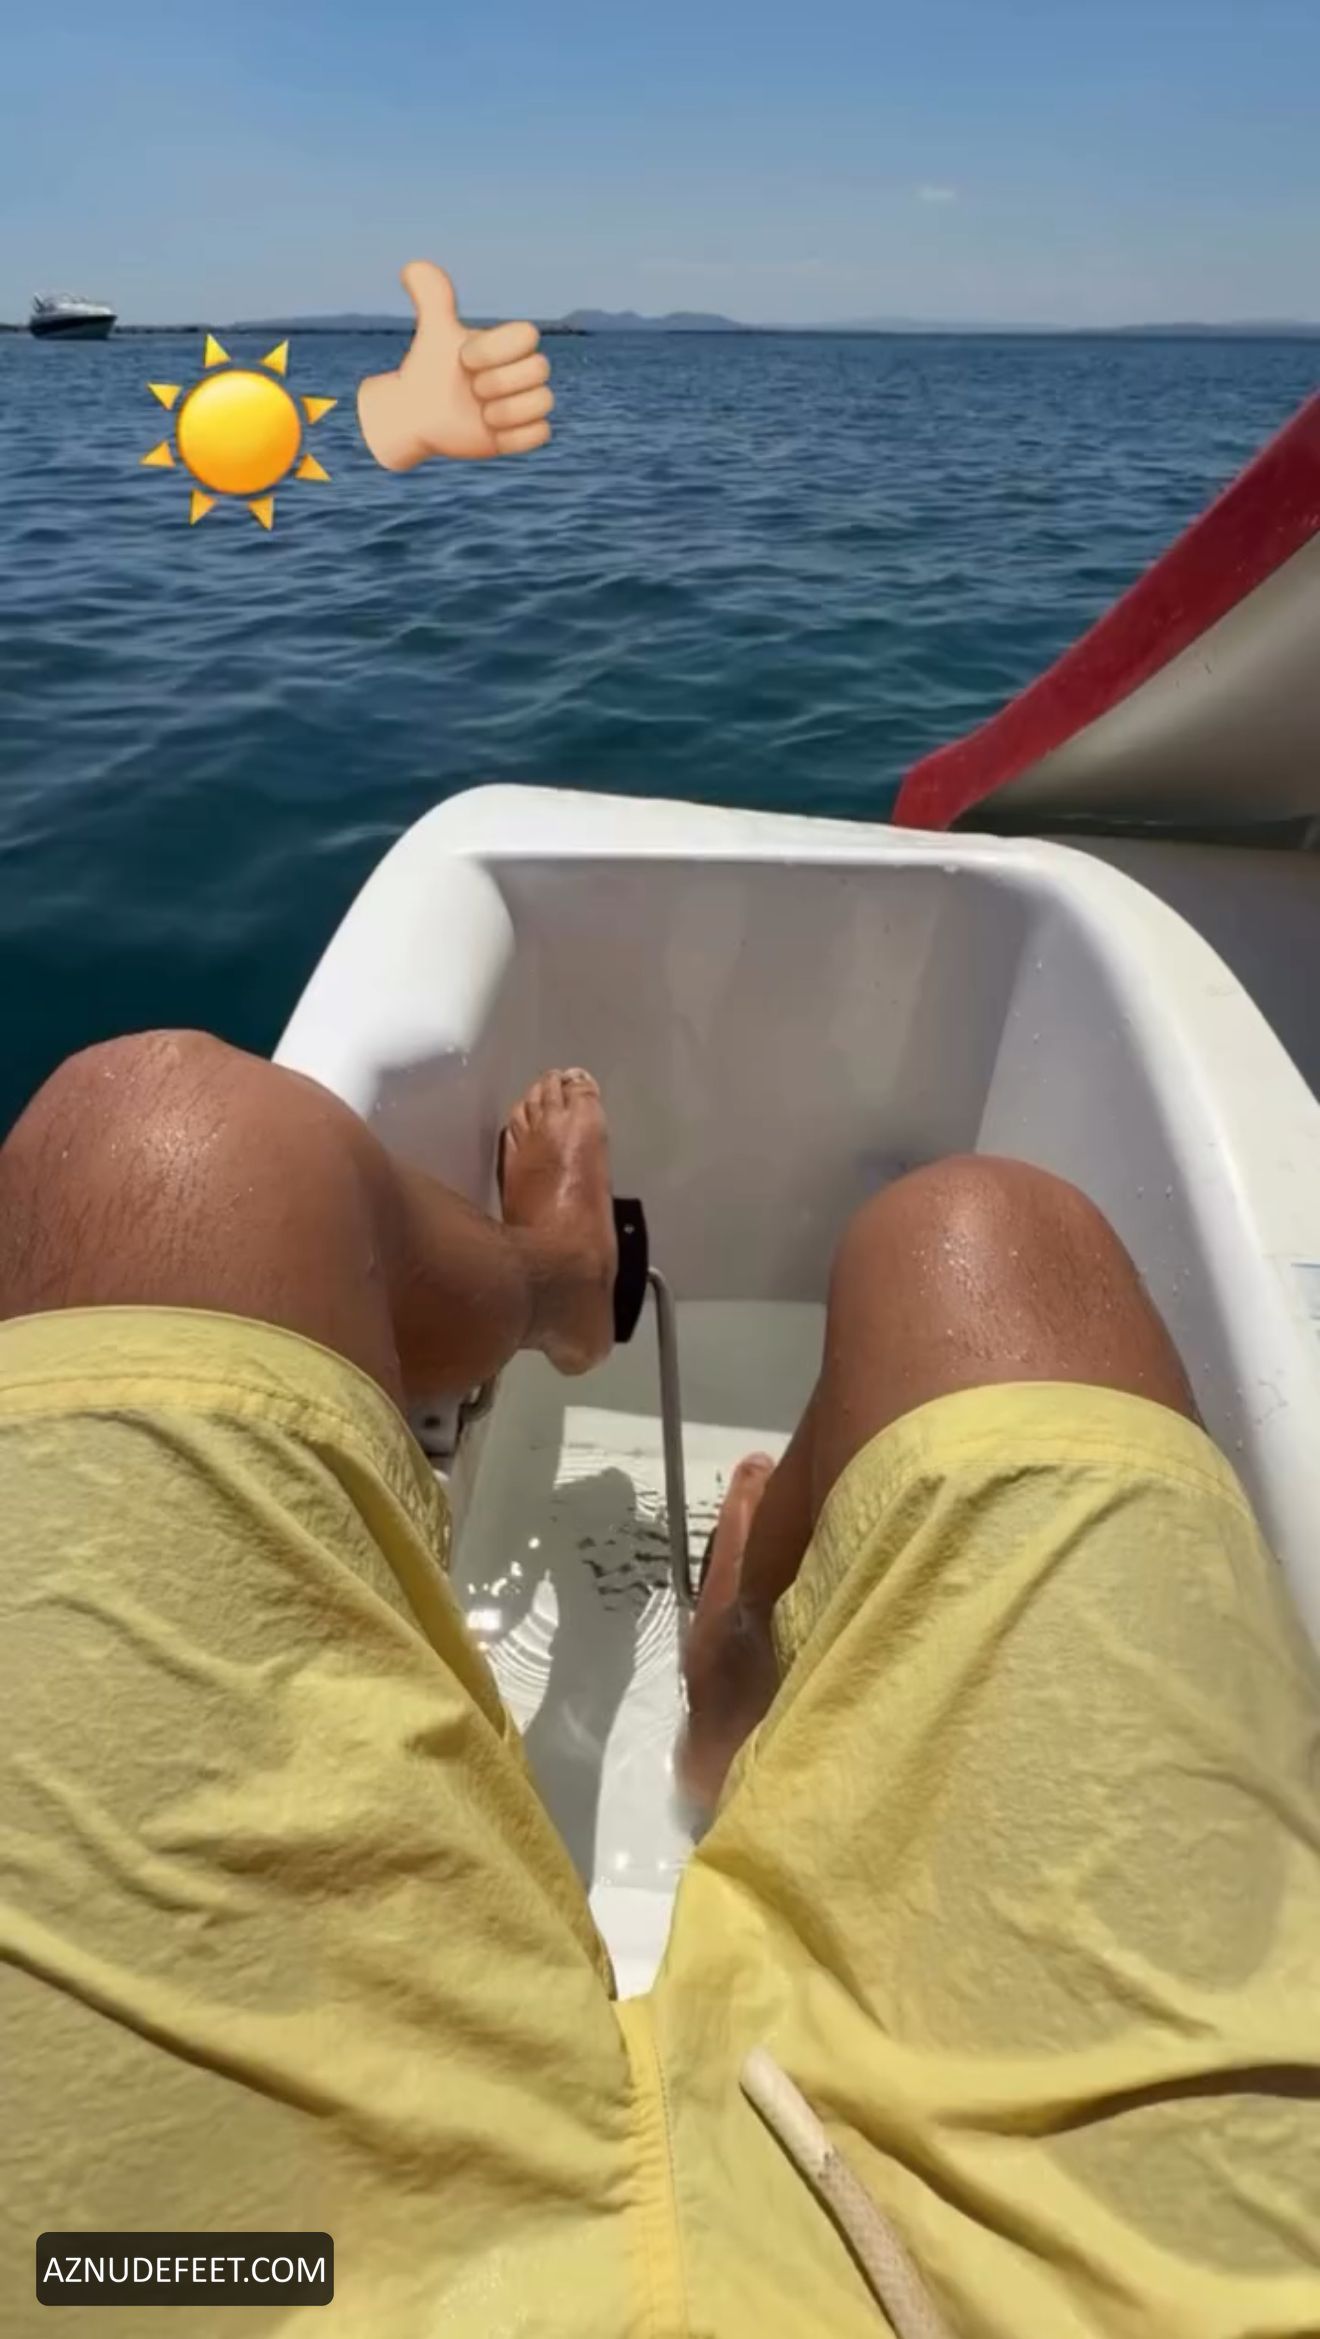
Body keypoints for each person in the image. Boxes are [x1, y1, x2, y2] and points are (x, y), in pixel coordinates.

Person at [1, 1030, 1317, 2338]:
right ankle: (724, 1630)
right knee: (994, 1249)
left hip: (226, 2280)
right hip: (1095, 2290)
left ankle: (567, 1308)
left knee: (149, 1149)